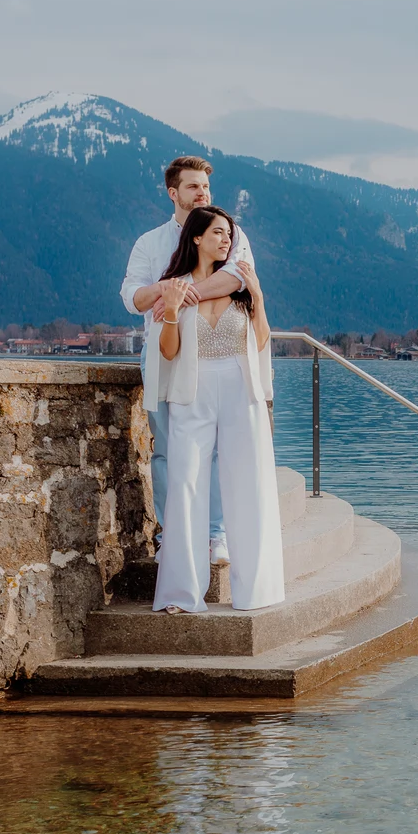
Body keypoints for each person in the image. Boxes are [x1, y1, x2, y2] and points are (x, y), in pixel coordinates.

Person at [119, 155, 257, 563]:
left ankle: (215, 535)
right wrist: (166, 292)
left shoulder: (230, 232)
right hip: (162, 355)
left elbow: (236, 278)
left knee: (213, 447)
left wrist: (177, 297)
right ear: (173, 193)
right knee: (165, 449)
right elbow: (132, 298)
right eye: (194, 186)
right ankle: (170, 533)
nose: (203, 193)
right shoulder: (150, 242)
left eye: (207, 187)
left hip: (212, 354)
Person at [149, 205, 283, 614]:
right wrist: (171, 313)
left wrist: (258, 296)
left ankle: (256, 588)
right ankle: (180, 594)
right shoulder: (175, 288)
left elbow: (260, 340)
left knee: (248, 481)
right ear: (196, 238)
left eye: (229, 233)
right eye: (218, 233)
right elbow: (168, 352)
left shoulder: (241, 283)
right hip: (193, 391)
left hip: (242, 391)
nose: (227, 240)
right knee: (186, 483)